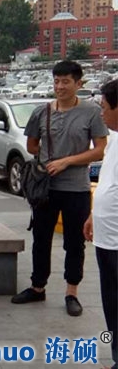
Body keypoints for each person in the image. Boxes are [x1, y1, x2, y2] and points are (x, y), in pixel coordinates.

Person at [11, 61, 107, 317]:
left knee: (75, 242)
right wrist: (49, 158)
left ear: (78, 83)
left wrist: (67, 161)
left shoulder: (91, 112)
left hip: (77, 188)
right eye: (56, 81)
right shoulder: (41, 112)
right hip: (46, 187)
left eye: (66, 81)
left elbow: (100, 150)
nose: (60, 86)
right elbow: (32, 146)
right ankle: (37, 287)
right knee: (41, 239)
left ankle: (71, 292)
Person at [83, 79, 117, 369]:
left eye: (105, 107)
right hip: (105, 236)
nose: (101, 113)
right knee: (111, 302)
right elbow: (107, 182)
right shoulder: (114, 138)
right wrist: (93, 214)